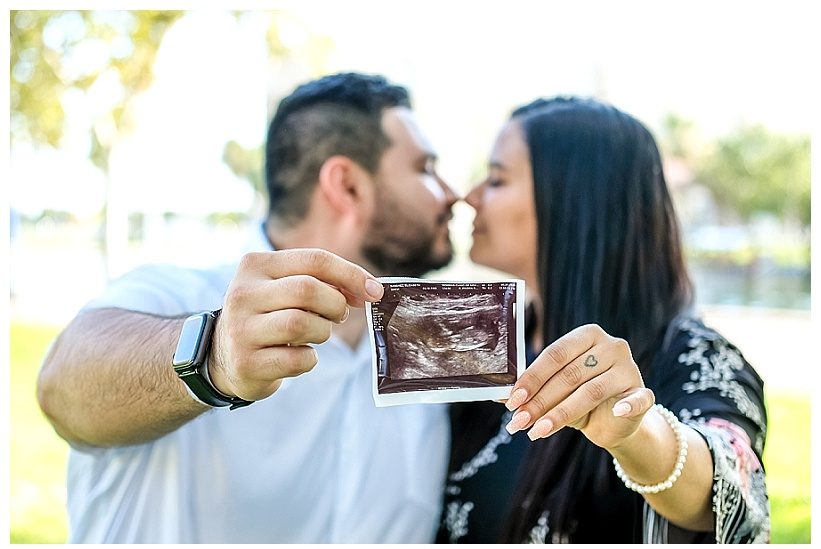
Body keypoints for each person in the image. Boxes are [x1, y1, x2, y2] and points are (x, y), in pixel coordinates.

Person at [37, 72, 459, 543]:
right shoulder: (178, 295)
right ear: (349, 186)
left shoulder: (435, 347)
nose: (452, 193)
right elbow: (61, 388)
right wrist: (212, 355)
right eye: (426, 169)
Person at [437, 97, 769, 543]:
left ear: (575, 199)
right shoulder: (482, 339)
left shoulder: (696, 358)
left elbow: (727, 480)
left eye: (496, 179)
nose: (469, 196)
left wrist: (634, 430)